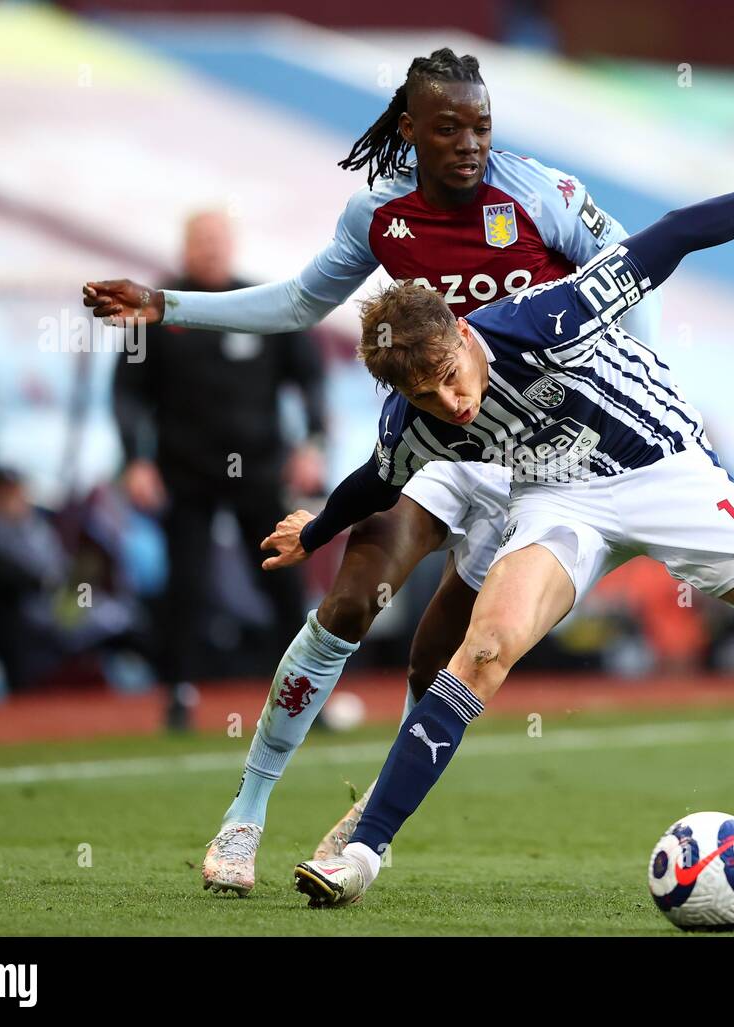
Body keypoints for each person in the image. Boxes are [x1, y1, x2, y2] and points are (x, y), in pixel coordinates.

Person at [265, 135, 734, 910]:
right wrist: (316, 531)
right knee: (483, 650)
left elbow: (679, 231)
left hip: (667, 472)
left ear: (463, 335)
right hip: (559, 505)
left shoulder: (548, 318)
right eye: (426, 396)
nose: (451, 404)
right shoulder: (413, 422)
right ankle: (364, 850)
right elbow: (374, 481)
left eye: (451, 379)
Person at [83, 48, 658, 895]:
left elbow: (630, 281)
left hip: (536, 466)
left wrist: (630, 385)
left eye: (482, 126)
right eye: (449, 127)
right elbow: (296, 302)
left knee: (438, 669)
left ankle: (368, 816)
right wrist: (168, 305)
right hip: (436, 444)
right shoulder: (380, 215)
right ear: (408, 130)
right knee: (349, 600)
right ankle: (245, 814)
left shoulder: (547, 195)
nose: (469, 144)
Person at [110, 210, 326, 722]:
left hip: (260, 470)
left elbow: (310, 377)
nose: (209, 249)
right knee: (185, 582)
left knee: (283, 579)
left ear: (231, 245)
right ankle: (179, 695)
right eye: (199, 240)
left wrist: (312, 444)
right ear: (184, 247)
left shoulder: (258, 304)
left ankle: (303, 695)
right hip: (185, 471)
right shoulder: (156, 311)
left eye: (217, 239)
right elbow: (125, 393)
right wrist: (133, 460)